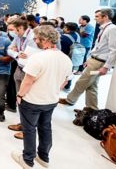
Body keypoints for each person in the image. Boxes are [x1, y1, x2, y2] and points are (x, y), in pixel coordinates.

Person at [11, 25, 73, 169]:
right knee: (45, 128)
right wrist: (52, 89)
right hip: (51, 100)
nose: (34, 40)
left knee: (29, 129)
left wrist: (19, 95)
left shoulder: (38, 58)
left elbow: (28, 81)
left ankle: (27, 160)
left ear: (44, 40)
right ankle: (44, 158)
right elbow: (65, 81)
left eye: (36, 38)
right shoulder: (66, 59)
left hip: (32, 101)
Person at [59, 8, 116, 110]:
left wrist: (106, 67)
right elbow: (98, 47)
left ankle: (70, 100)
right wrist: (89, 59)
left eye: (97, 16)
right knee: (92, 86)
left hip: (98, 63)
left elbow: (114, 50)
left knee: (81, 82)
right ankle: (92, 108)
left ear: (105, 17)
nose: (95, 18)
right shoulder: (104, 28)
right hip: (94, 60)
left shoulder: (113, 29)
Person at [7, 19, 38, 139]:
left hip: (28, 71)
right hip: (19, 69)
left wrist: (18, 51)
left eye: (12, 30)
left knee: (27, 101)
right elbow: (9, 49)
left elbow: (31, 56)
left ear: (20, 28)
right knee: (20, 100)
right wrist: (17, 54)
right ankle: (23, 124)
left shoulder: (33, 38)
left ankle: (28, 130)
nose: (10, 32)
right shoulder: (18, 37)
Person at [60, 22, 80, 92]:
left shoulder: (63, 37)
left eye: (64, 27)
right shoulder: (77, 35)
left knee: (62, 73)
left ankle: (61, 86)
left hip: (66, 57)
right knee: (70, 72)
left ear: (67, 29)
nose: (63, 28)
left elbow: (61, 50)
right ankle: (67, 87)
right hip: (74, 57)